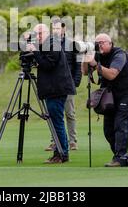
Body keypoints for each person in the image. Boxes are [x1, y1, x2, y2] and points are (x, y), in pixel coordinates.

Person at [82, 33, 128, 167]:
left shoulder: (119, 54)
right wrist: (85, 58)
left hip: (127, 92)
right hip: (110, 95)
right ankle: (120, 155)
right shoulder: (97, 54)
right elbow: (84, 72)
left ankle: (120, 157)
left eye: (102, 42)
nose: (99, 45)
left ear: (110, 43)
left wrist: (96, 65)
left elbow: (112, 74)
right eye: (97, 43)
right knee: (108, 129)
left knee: (121, 125)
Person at [26, 23, 76, 163]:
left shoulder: (53, 44)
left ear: (47, 33)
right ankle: (60, 152)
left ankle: (61, 154)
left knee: (56, 122)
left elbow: (47, 64)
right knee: (56, 122)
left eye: (40, 34)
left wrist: (34, 51)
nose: (38, 37)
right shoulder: (47, 44)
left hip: (57, 89)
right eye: (36, 34)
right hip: (53, 89)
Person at [45, 19, 82, 152]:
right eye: (53, 28)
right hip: (53, 85)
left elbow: (78, 66)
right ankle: (54, 141)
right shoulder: (48, 44)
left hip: (67, 84)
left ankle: (72, 141)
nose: (55, 31)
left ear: (63, 29)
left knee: (70, 114)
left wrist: (76, 82)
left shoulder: (72, 45)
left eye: (57, 28)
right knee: (55, 113)